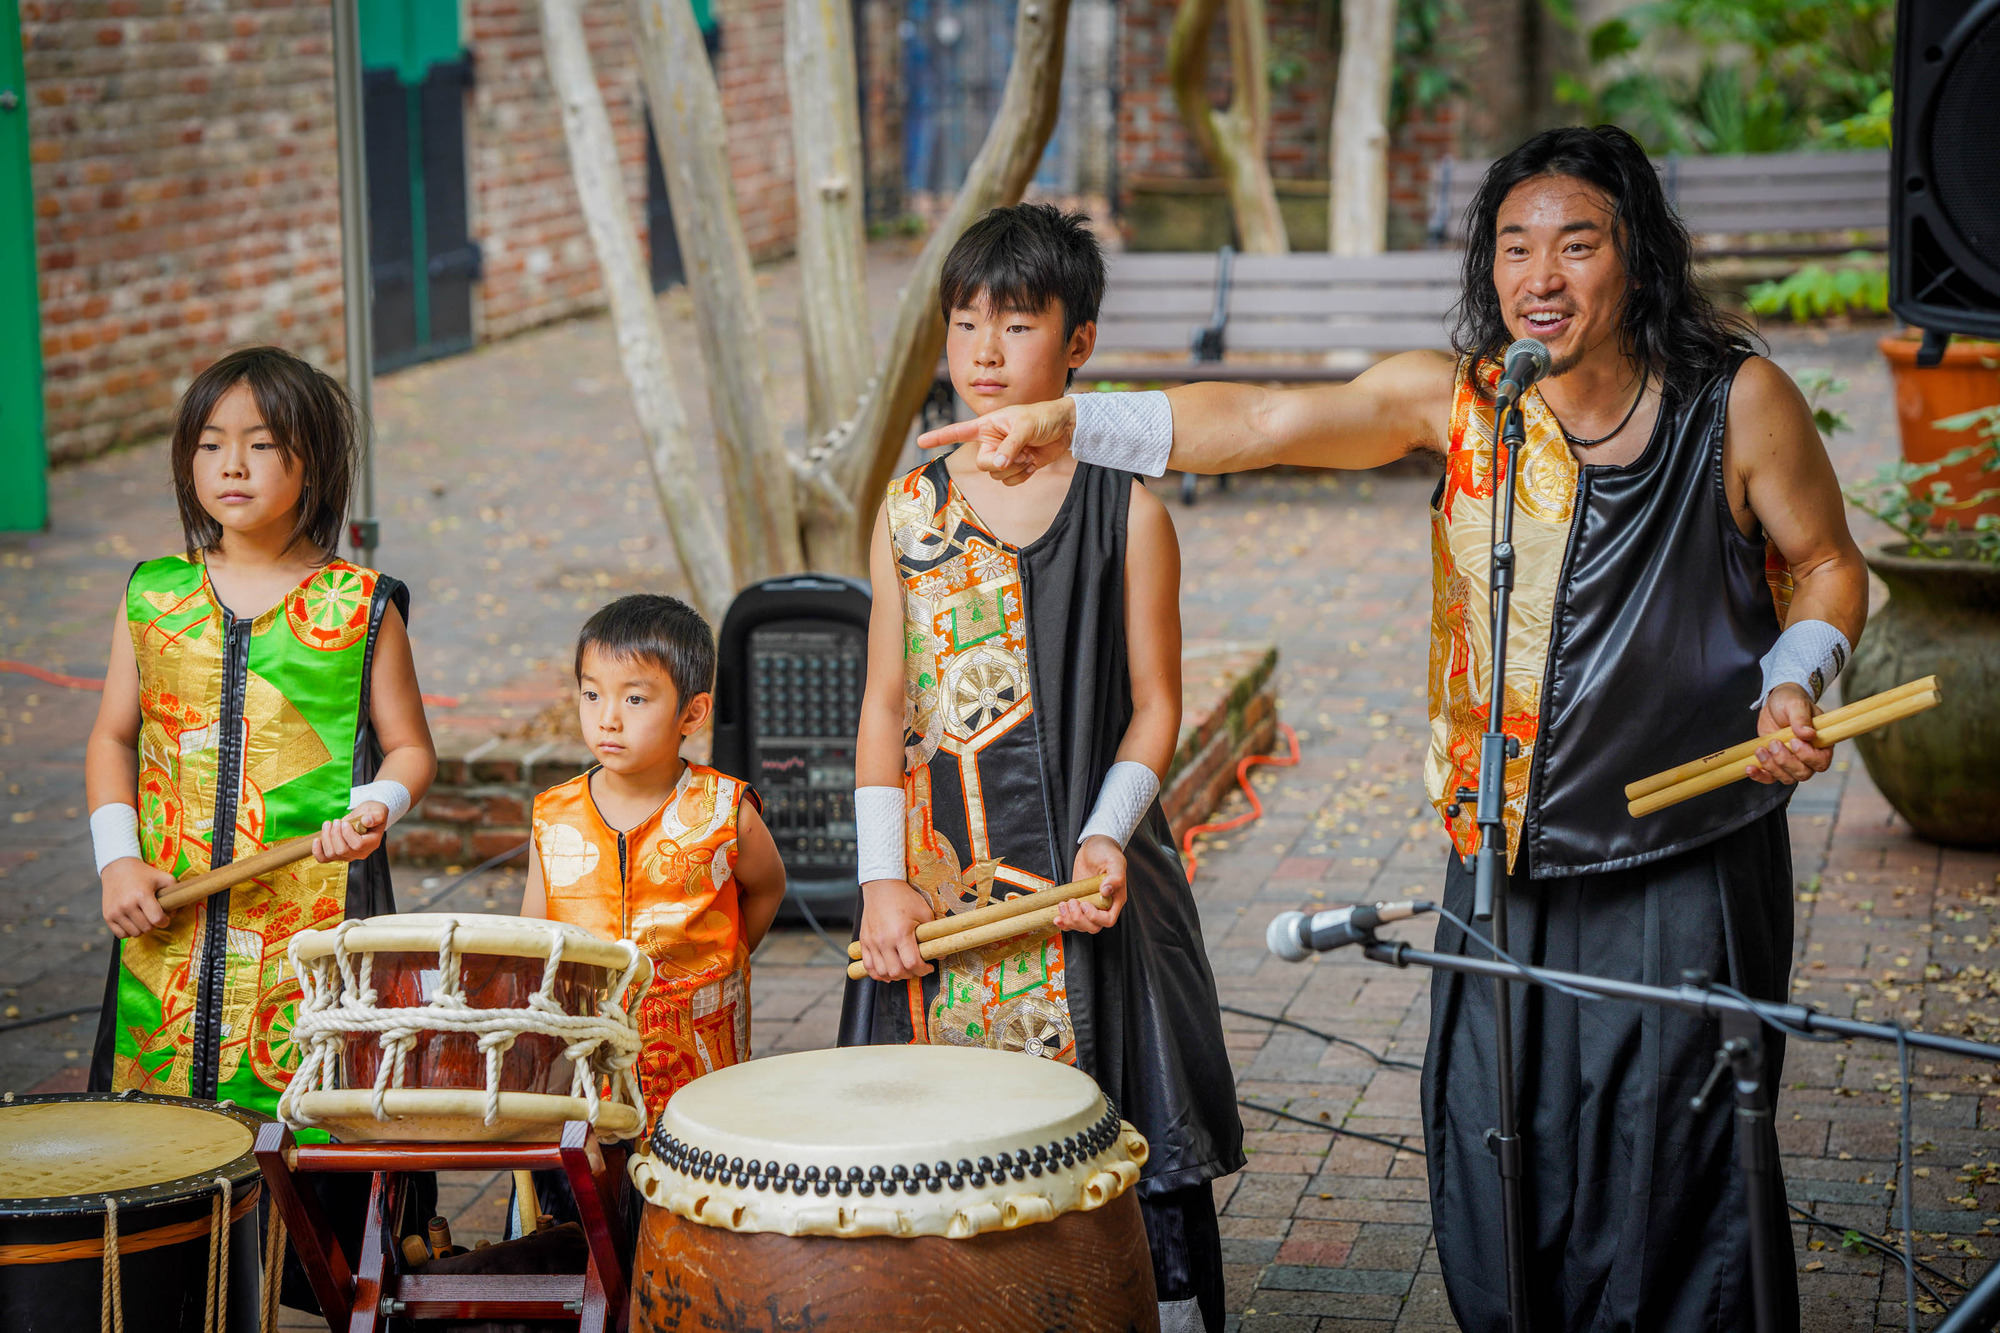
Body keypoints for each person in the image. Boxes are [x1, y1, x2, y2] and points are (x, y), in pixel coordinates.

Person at [926, 128, 1868, 1333]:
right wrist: (1075, 423)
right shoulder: (1462, 403)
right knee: (1500, 1162)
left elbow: (1828, 565)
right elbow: (1265, 417)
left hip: (1684, 859)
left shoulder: (1736, 402)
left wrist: (1796, 676)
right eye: (1514, 247)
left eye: (1575, 243)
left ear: (1635, 255)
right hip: (1502, 854)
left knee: (1672, 1178)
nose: (1541, 274)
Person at [841, 203, 1244, 1333]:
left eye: (1014, 324)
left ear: (1077, 345)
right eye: (963, 321)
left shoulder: (1129, 510)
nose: (980, 350)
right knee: (929, 1174)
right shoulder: (907, 511)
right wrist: (880, 880)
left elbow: (1157, 705)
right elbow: (883, 703)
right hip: (940, 899)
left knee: (1129, 1163)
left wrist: (1109, 832)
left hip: (1090, 895)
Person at [86, 345, 436, 1116]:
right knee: (157, 1135)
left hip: (314, 907)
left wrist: (377, 803)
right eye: (211, 443)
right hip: (167, 909)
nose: (232, 465)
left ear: (313, 460)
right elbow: (114, 736)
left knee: (312, 1121)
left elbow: (411, 746)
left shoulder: (360, 606)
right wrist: (118, 861)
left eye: (262, 444)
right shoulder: (153, 597)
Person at [520, 593, 787, 1122]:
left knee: (691, 1185)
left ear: (693, 712)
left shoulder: (725, 811)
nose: (608, 719)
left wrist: (726, 958)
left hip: (697, 1054)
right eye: (591, 695)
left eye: (635, 700)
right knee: (585, 1191)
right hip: (580, 1056)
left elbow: (768, 886)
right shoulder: (554, 817)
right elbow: (533, 934)